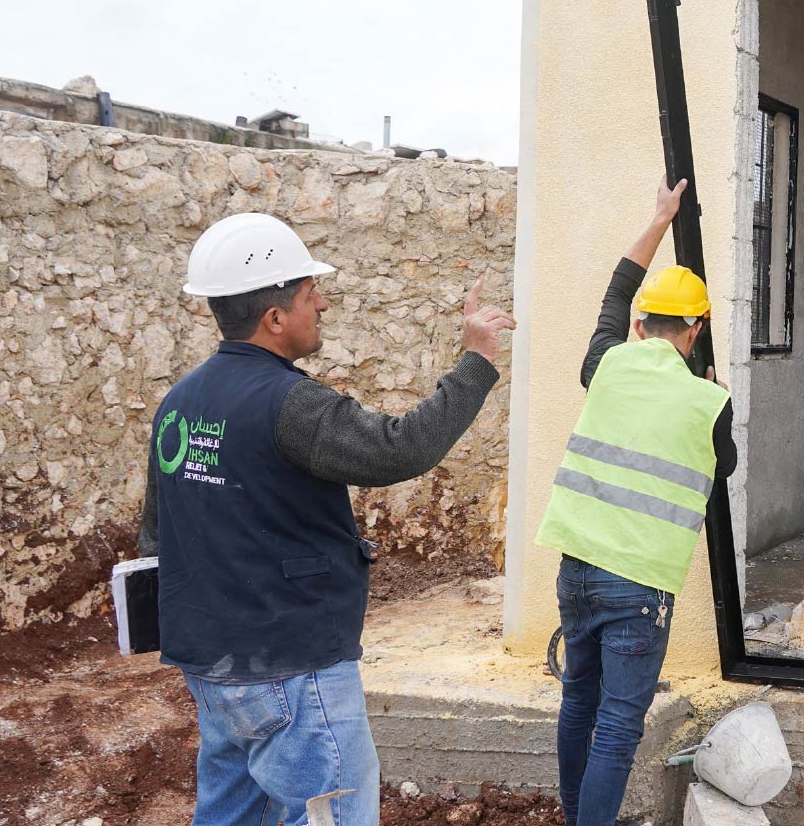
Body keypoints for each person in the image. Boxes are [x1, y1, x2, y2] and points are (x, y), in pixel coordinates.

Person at [139, 211, 514, 826]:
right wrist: (476, 360)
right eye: (313, 296)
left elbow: (158, 533)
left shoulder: (180, 404)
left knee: (231, 816)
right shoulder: (290, 404)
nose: (325, 307)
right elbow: (400, 448)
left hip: (210, 664)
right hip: (291, 668)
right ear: (275, 317)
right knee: (329, 813)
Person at [535, 177, 736, 826]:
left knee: (579, 704)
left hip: (577, 568)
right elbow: (723, 467)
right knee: (618, 728)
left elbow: (614, 293)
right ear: (697, 328)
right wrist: (711, 394)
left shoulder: (606, 365)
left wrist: (658, 219)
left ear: (641, 324)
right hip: (638, 587)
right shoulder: (709, 401)